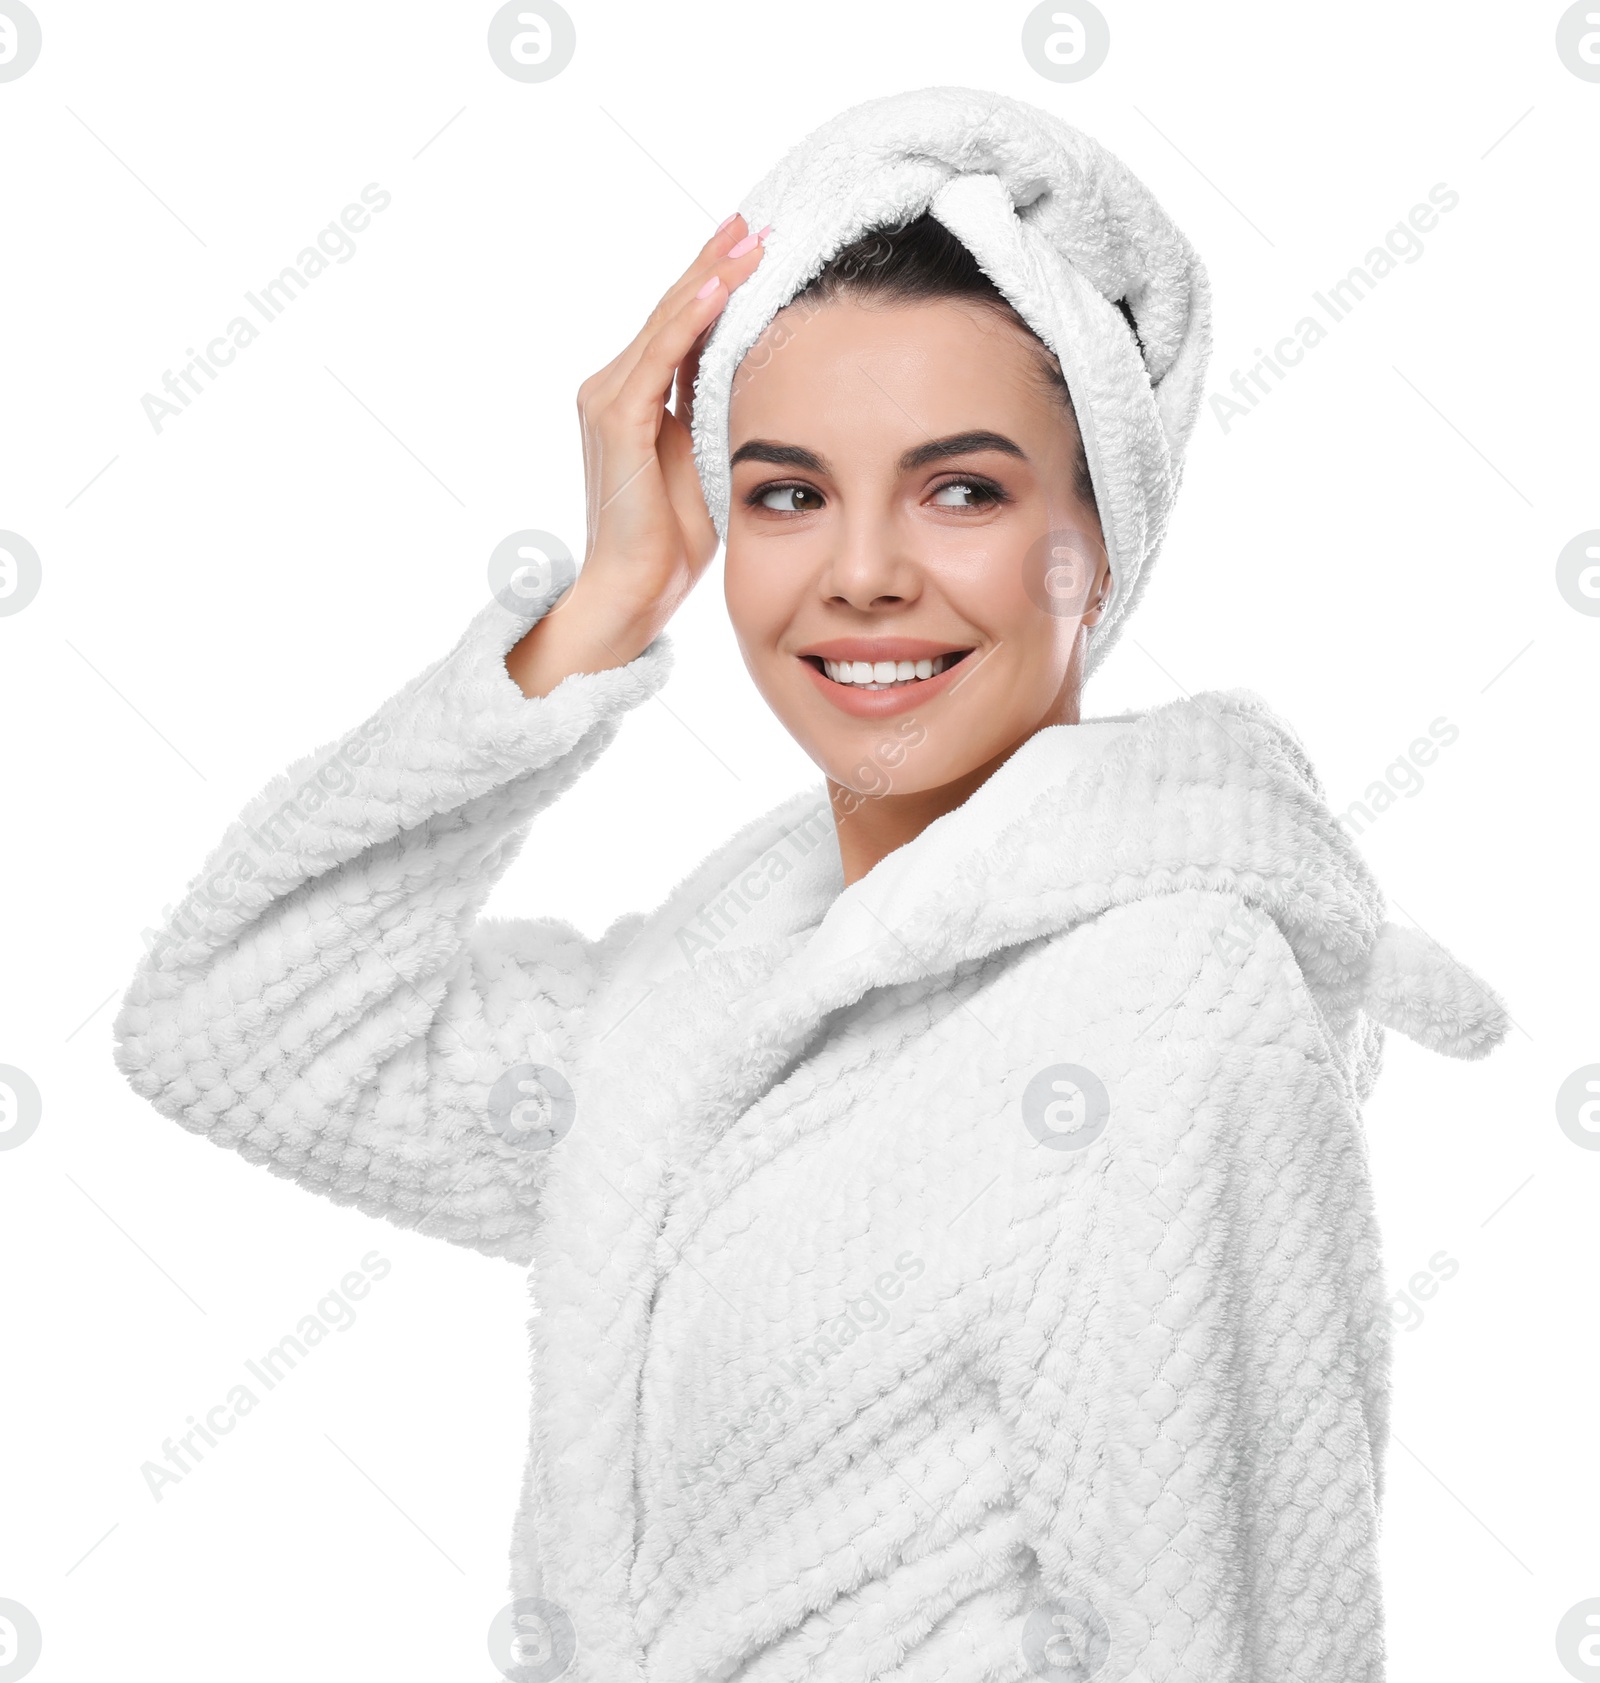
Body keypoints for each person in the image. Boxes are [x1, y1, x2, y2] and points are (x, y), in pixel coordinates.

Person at [113, 86, 1508, 1683]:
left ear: (1098, 541)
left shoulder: (1170, 1013)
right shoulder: (713, 1016)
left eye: (963, 489)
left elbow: (1235, 1647)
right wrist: (603, 604)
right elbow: (235, 1029)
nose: (860, 570)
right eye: (786, 492)